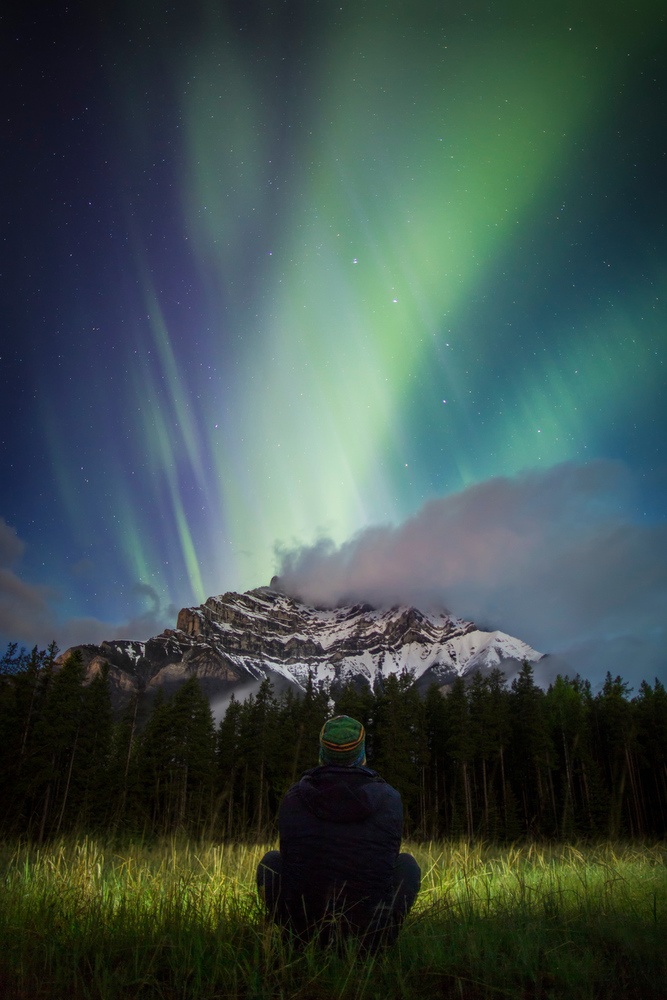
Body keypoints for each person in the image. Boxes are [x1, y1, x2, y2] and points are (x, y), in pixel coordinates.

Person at [256, 714, 421, 951]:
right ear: (362, 756)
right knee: (407, 864)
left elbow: (292, 862)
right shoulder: (390, 799)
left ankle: (291, 938)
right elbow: (386, 862)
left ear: (322, 755)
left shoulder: (293, 798)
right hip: (368, 935)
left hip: (304, 933)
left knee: (271, 862)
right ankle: (383, 941)